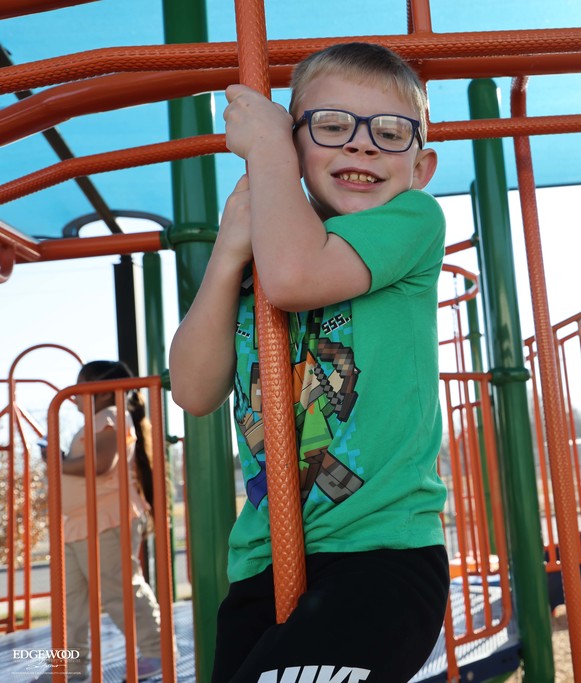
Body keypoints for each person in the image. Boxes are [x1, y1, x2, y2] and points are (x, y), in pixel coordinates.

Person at [168, 42, 448, 682]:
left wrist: (268, 148)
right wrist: (228, 254)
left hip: (378, 555)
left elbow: (296, 277)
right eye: (331, 125)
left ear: (421, 166)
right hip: (260, 559)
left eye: (389, 133)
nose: (361, 145)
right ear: (299, 146)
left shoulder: (412, 219)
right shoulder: (264, 251)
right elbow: (192, 389)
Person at [45, 360, 165, 682]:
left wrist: (57, 462)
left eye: (80, 386)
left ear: (102, 392)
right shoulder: (98, 421)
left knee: (119, 590)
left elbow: (101, 463)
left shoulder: (110, 415)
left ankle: (156, 651)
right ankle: (70, 666)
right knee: (71, 602)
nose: (73, 394)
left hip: (105, 520)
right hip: (79, 523)